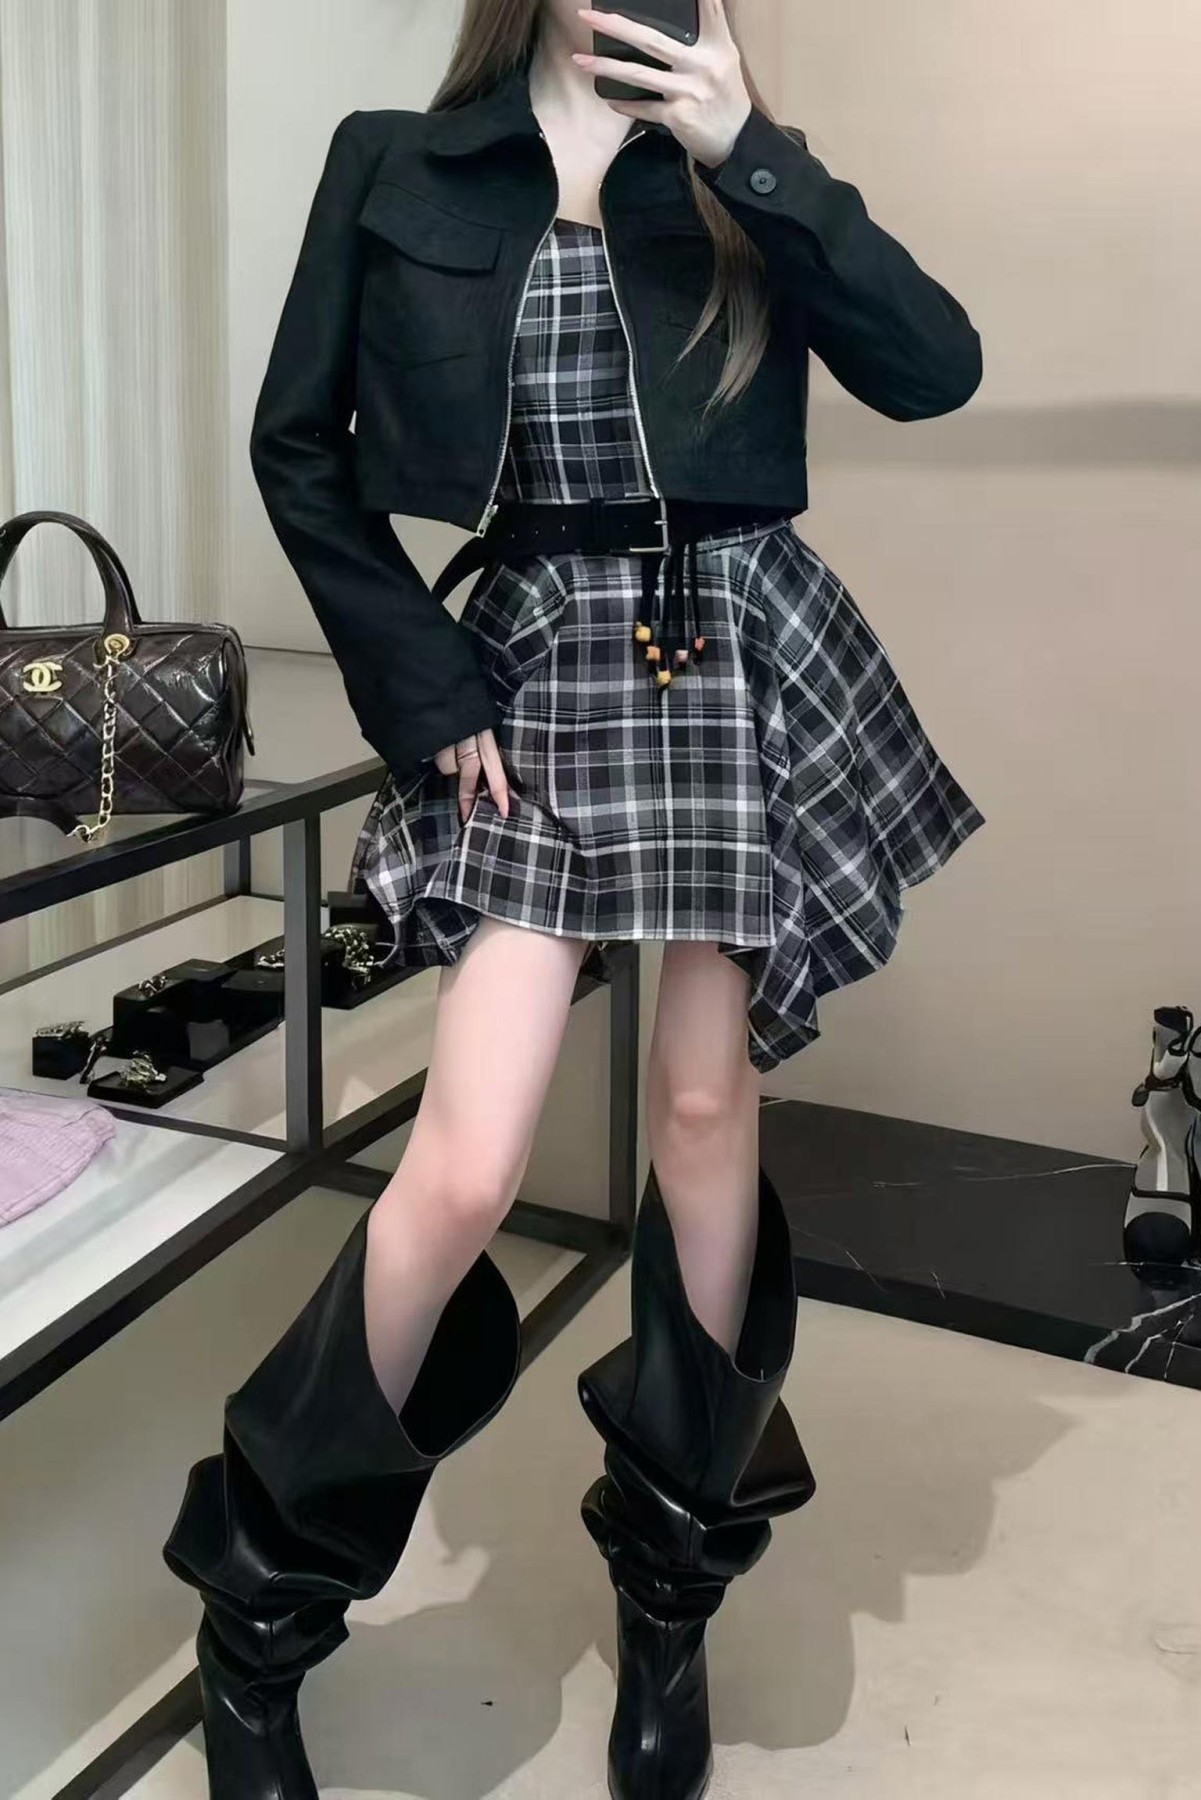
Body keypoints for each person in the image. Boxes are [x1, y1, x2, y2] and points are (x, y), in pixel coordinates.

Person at [161, 3, 986, 1797]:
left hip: (737, 647)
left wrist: (748, 152)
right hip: (531, 670)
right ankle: (258, 1612)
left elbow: (933, 367)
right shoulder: (400, 162)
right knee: (466, 1167)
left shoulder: (732, 156)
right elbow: (300, 451)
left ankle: (669, 1606)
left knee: (700, 1114)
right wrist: (425, 683)